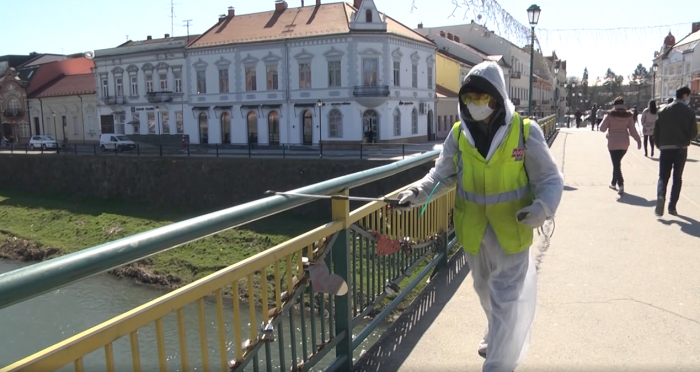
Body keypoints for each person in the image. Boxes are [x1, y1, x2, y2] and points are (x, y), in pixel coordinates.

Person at [395, 61, 564, 372]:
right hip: (473, 231)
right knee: (484, 290)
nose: (475, 105)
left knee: (505, 301)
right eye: (469, 99)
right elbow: (441, 175)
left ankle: (498, 364)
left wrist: (541, 209)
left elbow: (551, 180)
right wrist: (417, 192)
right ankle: (495, 333)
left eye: (481, 99)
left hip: (512, 229)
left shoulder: (525, 132)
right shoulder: (459, 134)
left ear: (497, 99)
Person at [653, 86, 698, 216]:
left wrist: (658, 144)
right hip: (681, 148)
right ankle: (672, 207)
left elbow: (657, 130)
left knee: (663, 176)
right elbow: (693, 132)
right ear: (685, 96)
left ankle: (661, 196)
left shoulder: (663, 110)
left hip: (665, 148)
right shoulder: (689, 112)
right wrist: (686, 140)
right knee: (677, 178)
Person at [599, 96, 641, 195]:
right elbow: (633, 130)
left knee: (616, 164)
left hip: (613, 143)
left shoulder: (610, 115)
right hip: (624, 143)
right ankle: (613, 183)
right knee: (616, 163)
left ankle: (620, 185)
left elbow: (602, 129)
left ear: (614, 105)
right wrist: (638, 140)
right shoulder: (628, 115)